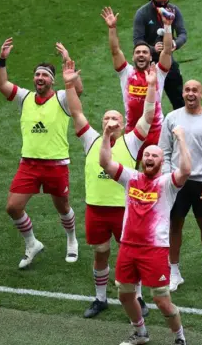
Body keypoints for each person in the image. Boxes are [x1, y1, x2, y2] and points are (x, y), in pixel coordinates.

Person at [62, 61, 155, 318]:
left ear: (124, 124)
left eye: (115, 118)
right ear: (101, 123)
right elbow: (76, 111)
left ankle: (137, 297)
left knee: (131, 255)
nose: (111, 121)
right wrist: (69, 84)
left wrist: (151, 86)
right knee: (100, 253)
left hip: (125, 210)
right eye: (106, 118)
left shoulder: (132, 142)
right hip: (96, 209)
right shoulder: (90, 139)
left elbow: (148, 116)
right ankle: (100, 298)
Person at [99, 123, 191, 345]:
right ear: (142, 160)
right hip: (128, 247)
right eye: (146, 154)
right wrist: (107, 135)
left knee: (161, 300)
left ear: (162, 162)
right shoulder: (131, 177)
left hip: (155, 250)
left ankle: (180, 339)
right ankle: (140, 332)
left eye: (155, 155)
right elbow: (105, 163)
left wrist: (180, 139)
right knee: (125, 294)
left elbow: (186, 171)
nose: (149, 157)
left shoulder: (167, 183)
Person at [0, 38, 83, 268]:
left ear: (52, 80)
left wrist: (69, 67)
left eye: (44, 76)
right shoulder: (24, 97)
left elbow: (78, 90)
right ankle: (32, 243)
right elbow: (1, 84)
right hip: (29, 165)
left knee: (62, 206)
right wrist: (2, 59)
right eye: (37, 75)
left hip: (56, 164)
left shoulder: (62, 97)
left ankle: (72, 240)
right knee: (13, 207)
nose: (39, 79)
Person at [159, 79, 202, 291]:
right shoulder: (172, 118)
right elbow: (165, 151)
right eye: (187, 90)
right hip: (177, 181)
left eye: (195, 90)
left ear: (201, 94)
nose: (190, 93)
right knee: (174, 226)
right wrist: (169, 179)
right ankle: (174, 272)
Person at [101, 6, 174, 162]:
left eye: (145, 52)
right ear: (133, 57)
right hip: (132, 132)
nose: (141, 55)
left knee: (155, 173)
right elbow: (115, 50)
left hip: (156, 131)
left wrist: (167, 26)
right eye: (138, 52)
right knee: (129, 171)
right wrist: (112, 28)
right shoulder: (126, 73)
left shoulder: (158, 72)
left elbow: (167, 51)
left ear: (150, 57)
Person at [133, 0, 187, 110]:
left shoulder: (173, 10)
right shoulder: (142, 13)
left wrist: (174, 43)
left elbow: (183, 34)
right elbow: (138, 40)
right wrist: (152, 49)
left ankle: (184, 126)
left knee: (179, 101)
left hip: (168, 63)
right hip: (147, 66)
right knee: (145, 103)